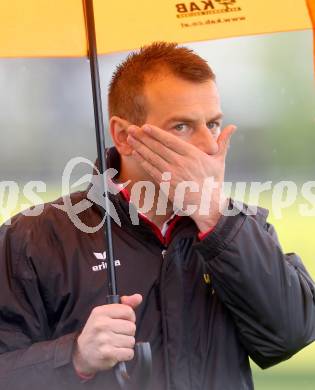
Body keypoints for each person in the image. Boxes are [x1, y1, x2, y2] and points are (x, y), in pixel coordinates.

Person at [0, 42, 314, 390]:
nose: (208, 146)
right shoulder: (33, 237)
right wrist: (74, 358)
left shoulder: (238, 228)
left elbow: (290, 335)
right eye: (181, 126)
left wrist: (213, 216)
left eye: (212, 124)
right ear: (124, 136)